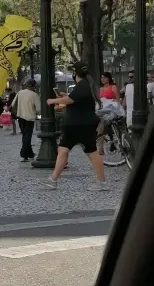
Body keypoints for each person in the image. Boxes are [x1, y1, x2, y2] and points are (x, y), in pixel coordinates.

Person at [41, 62, 108, 191]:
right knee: (86, 151)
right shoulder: (87, 84)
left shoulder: (82, 84)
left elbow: (71, 100)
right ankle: (101, 181)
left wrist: (54, 100)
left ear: (75, 73)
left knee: (67, 150)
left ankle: (53, 180)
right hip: (84, 123)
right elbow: (75, 99)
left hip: (76, 124)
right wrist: (66, 96)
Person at [10, 79, 39, 162]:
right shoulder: (34, 95)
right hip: (30, 118)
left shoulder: (20, 93)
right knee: (27, 136)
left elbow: (13, 104)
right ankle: (23, 155)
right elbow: (39, 109)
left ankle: (30, 154)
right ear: (34, 86)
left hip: (20, 117)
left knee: (25, 135)